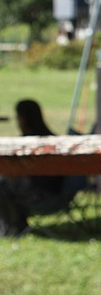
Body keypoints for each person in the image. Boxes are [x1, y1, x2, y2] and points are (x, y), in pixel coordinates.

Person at [0, 99, 65, 236]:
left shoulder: (26, 145)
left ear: (23, 118)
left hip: (39, 194)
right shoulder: (52, 138)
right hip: (58, 191)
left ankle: (11, 227)